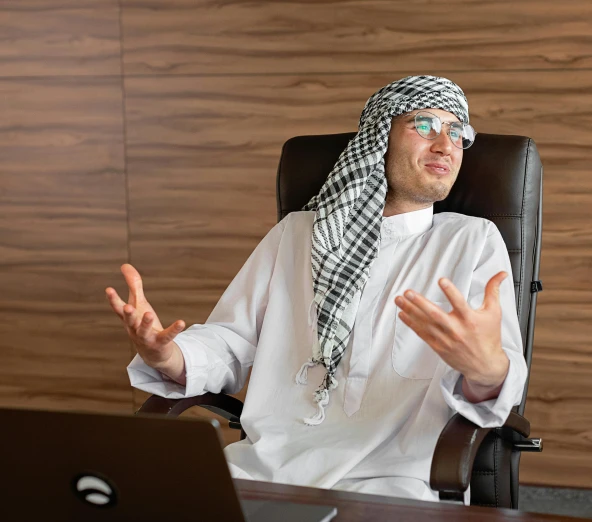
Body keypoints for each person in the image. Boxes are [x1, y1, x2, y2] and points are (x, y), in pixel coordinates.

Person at [105, 75, 527, 502]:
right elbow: (232, 342)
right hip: (266, 471)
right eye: (425, 125)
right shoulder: (298, 234)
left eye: (457, 132)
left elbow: (495, 377)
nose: (445, 144)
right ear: (379, 135)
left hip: (395, 483)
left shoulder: (472, 241)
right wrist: (167, 355)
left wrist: (483, 367)